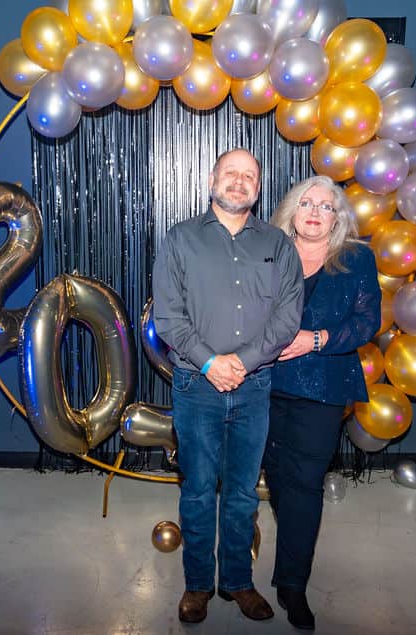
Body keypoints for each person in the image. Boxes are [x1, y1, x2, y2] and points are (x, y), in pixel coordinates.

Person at [152, 148, 304, 624]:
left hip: (255, 387)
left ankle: (237, 581)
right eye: (230, 173)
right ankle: (197, 585)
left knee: (242, 492)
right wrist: (210, 362)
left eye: (249, 176)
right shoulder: (180, 240)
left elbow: (287, 318)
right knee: (198, 491)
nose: (239, 182)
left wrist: (243, 361)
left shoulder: (278, 245)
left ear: (258, 188)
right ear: (211, 179)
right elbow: (167, 318)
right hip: (196, 387)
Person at [263, 175, 382, 630]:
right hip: (264, 383)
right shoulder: (268, 252)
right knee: (278, 478)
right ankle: (292, 551)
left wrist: (316, 339)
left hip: (323, 386)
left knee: (306, 481)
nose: (314, 212)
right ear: (291, 210)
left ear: (338, 218)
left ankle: (293, 585)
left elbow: (367, 322)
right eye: (306, 203)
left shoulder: (356, 258)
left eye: (326, 206)